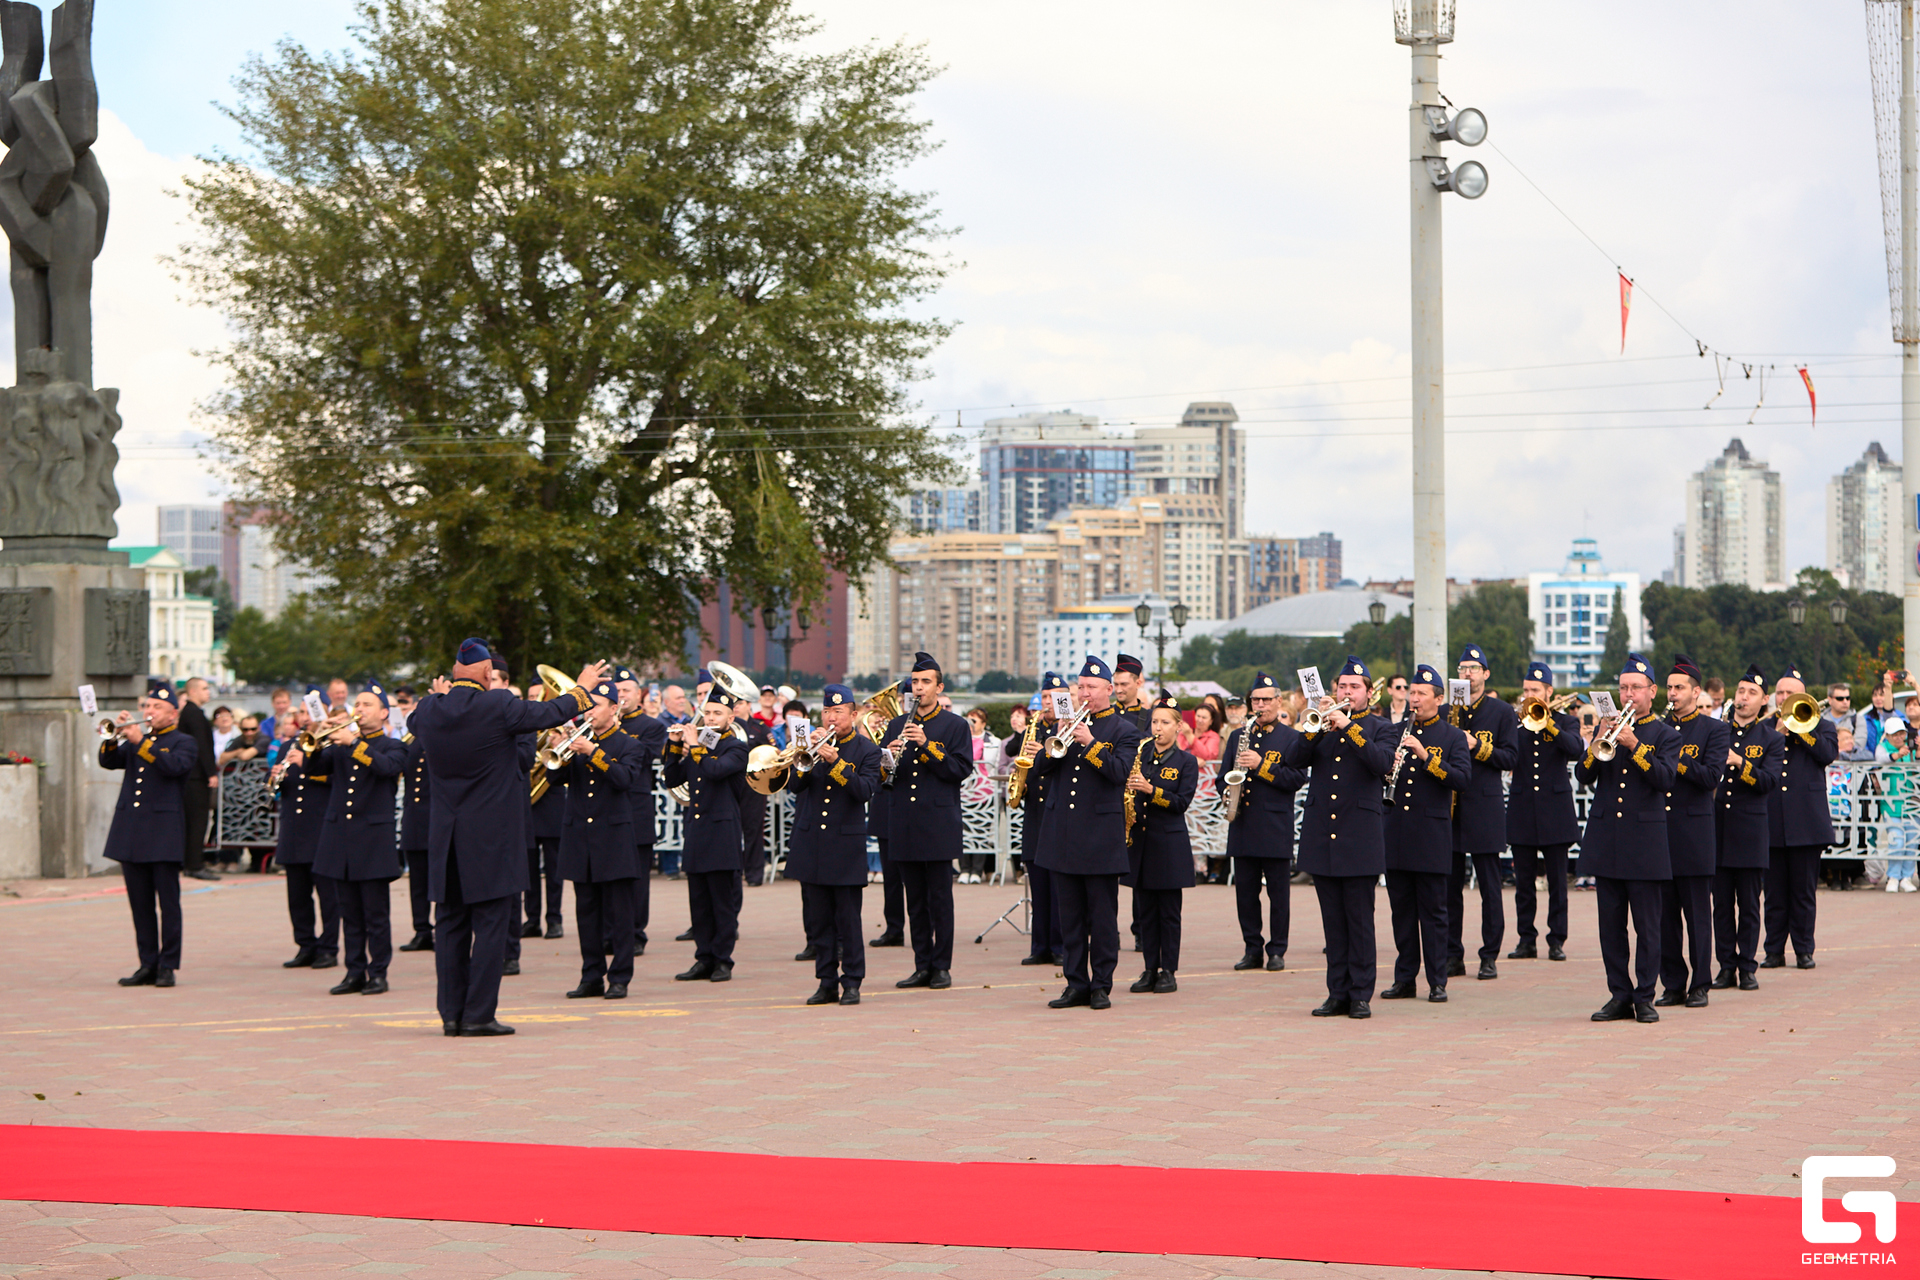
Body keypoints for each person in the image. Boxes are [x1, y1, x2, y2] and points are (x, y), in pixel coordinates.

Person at [407, 640, 602, 1036]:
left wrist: (439, 697)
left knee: (449, 925)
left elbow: (413, 723)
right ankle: (478, 1014)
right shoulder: (498, 705)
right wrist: (581, 689)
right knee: (492, 925)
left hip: (446, 838)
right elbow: (551, 711)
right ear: (485, 673)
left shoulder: (428, 710)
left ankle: (450, 1014)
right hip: (491, 839)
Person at [1283, 656, 1393, 1019]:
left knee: (1359, 919)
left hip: (1359, 836)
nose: (1347, 692)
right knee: (1332, 921)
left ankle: (1361, 993)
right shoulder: (1322, 726)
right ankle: (1337, 992)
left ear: (1368, 693)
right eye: (1342, 687)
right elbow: (1294, 759)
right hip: (1323, 836)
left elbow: (1382, 764)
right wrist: (1313, 726)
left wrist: (1348, 726)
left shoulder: (1379, 727)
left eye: (1354, 688)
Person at [1033, 655, 1142, 1009]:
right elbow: (1040, 768)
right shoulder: (1062, 724)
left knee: (1102, 917)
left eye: (1091, 687)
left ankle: (1101, 985)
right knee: (1071, 918)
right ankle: (1075, 982)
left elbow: (1119, 773)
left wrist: (1090, 742)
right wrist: (1059, 737)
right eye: (1080, 687)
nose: (1084, 693)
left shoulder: (1124, 731)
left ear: (1109, 690)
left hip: (1100, 838)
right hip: (1063, 834)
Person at [1575, 652, 1678, 1024]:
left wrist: (1634, 744)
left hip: (1645, 843)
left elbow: (1665, 779)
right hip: (1608, 839)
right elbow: (1583, 775)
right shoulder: (1609, 727)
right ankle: (1619, 994)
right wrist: (1598, 740)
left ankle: (1645, 995)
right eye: (1623, 687)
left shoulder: (1665, 735)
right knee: (1611, 926)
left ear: (1652, 691)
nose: (1629, 693)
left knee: (1648, 926)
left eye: (1636, 687)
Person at [299, 683, 407, 996]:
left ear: (384, 713)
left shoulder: (393, 746)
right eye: (357, 704)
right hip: (341, 839)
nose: (359, 709)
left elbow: (387, 768)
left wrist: (354, 742)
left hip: (373, 841)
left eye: (367, 705)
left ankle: (379, 973)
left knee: (375, 914)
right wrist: (319, 739)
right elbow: (314, 769)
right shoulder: (341, 745)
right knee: (351, 914)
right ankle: (354, 971)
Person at [787, 684, 884, 1006]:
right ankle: (826, 981)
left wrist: (836, 762)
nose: (831, 717)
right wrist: (802, 751)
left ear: (853, 715)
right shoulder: (812, 746)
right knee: (819, 921)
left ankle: (852, 981)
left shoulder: (867, 751)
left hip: (844, 847)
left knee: (848, 920)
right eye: (827, 711)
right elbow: (796, 787)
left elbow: (865, 791)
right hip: (812, 843)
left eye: (838, 712)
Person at [1380, 665, 1472, 1003]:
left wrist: (1425, 757)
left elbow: (1462, 779)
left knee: (1434, 912)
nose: (1413, 699)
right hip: (1396, 832)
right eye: (1411, 693)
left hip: (1431, 835)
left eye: (1420, 694)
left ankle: (1437, 980)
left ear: (1438, 698)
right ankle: (1405, 978)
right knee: (1401, 911)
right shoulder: (1394, 731)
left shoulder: (1451, 736)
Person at [882, 653, 974, 990]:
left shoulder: (955, 726)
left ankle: (942, 966)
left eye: (925, 682)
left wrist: (926, 745)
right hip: (904, 822)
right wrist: (888, 756)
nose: (918, 688)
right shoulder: (895, 725)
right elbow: (881, 776)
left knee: (939, 899)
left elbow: (960, 770)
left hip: (937, 823)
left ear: (939, 687)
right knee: (915, 900)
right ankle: (922, 964)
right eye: (915, 682)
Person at [99, 686, 198, 987]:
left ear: (173, 713)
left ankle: (168, 964)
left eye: (156, 706)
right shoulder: (138, 740)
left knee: (168, 904)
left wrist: (140, 740)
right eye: (147, 705)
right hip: (132, 832)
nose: (150, 711)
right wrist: (112, 736)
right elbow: (109, 762)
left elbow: (172, 767)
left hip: (164, 833)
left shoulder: (184, 742)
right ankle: (147, 963)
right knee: (139, 905)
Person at [557, 680, 646, 999]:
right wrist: (560, 749)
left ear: (613, 708)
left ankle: (620, 976)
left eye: (596, 706)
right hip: (581, 838)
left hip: (615, 838)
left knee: (620, 913)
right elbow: (555, 777)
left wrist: (593, 752)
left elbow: (624, 779)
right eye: (587, 706)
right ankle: (591, 974)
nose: (590, 712)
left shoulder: (629, 745)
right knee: (587, 912)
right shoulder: (578, 742)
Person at [663, 685, 751, 981]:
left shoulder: (736, 747)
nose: (711, 718)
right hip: (697, 831)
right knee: (699, 902)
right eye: (707, 712)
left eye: (718, 713)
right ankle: (703, 957)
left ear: (730, 717)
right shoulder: (698, 744)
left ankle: (723, 959)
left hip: (722, 833)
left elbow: (715, 770)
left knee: (721, 902)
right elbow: (673, 778)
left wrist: (695, 746)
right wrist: (675, 746)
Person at [1658, 655, 1729, 1009]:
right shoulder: (1656, 726)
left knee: (1698, 915)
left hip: (1695, 833)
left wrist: (1676, 759)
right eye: (1669, 687)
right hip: (1660, 832)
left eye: (1679, 688)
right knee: (1664, 916)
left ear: (1696, 691)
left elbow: (1711, 777)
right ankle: (1672, 983)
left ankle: (1700, 983)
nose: (1672, 693)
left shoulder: (1714, 730)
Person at [1223, 671, 1305, 972]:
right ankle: (1252, 948)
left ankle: (1277, 950)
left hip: (1274, 826)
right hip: (1243, 824)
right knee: (1245, 893)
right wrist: (1226, 792)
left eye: (1266, 700)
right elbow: (1223, 777)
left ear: (1278, 701)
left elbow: (1296, 778)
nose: (1260, 705)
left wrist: (1262, 765)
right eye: (1255, 700)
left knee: (1278, 895)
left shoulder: (1291, 738)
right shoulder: (1237, 737)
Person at [1447, 642, 1518, 982]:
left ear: (1485, 674)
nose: (1467, 674)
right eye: (1462, 669)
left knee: (1490, 887)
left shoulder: (1501, 712)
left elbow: (1510, 758)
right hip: (1451, 807)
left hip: (1485, 806)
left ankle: (1489, 955)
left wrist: (1477, 745)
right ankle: (1452, 954)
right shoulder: (1449, 710)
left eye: (1473, 669)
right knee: (1449, 887)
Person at [1712, 665, 1782, 990]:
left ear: (1764, 700)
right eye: (1740, 691)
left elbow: (1768, 781)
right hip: (1717, 829)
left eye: (1751, 692)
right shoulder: (1717, 731)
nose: (1743, 697)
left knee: (1749, 905)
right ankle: (1725, 965)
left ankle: (1747, 966)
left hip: (1750, 832)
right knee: (1722, 904)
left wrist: (1741, 763)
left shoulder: (1771, 738)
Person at [1507, 664, 1583, 962]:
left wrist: (1548, 724)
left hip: (1555, 810)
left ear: (1549, 692)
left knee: (1557, 883)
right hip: (1523, 808)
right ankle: (1526, 939)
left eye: (1535, 691)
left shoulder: (1566, 721)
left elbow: (1575, 749)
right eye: (1526, 690)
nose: (1529, 696)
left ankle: (1556, 939)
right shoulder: (1516, 723)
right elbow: (1507, 753)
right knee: (1523, 883)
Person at [1764, 664, 1838, 969]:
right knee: (1774, 894)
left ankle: (1804, 950)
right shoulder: (1766, 726)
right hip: (1772, 822)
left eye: (1790, 693)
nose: (1784, 697)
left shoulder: (1821, 724)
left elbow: (1827, 754)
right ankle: (1773, 951)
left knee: (1804, 892)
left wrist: (1801, 729)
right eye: (1780, 693)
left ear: (1803, 696)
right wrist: (1778, 731)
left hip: (1806, 822)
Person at [1125, 691, 1197, 994]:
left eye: (1165, 722)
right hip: (1141, 845)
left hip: (1169, 846)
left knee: (1168, 913)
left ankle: (1169, 970)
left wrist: (1150, 789)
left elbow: (1181, 802)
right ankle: (1149, 969)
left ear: (1177, 727)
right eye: (1155, 721)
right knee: (1145, 913)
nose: (1158, 728)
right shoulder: (1142, 756)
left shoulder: (1186, 762)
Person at [274, 710, 339, 970]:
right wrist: (276, 776)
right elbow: (282, 787)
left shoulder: (331, 745)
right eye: (300, 711)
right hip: (293, 828)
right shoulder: (289, 745)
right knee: (297, 895)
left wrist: (307, 767)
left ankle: (329, 947)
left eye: (307, 710)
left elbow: (337, 780)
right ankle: (305, 945)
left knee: (328, 895)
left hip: (320, 827)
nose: (302, 715)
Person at [1008, 678, 1062, 966]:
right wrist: (1022, 784)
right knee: (1038, 884)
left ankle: (1059, 945)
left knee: (1058, 888)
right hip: (1034, 815)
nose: (1046, 703)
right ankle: (1039, 945)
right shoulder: (1034, 728)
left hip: (1056, 816)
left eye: (1053, 697)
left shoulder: (1064, 730)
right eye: (1044, 697)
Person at [615, 667, 666, 953]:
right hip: (608, 811)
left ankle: (635, 934)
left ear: (639, 695)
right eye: (618, 691)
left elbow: (642, 759)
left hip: (636, 810)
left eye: (626, 691)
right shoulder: (601, 725)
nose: (621, 696)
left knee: (637, 878)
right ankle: (611, 931)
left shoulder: (651, 727)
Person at [398, 709, 435, 953]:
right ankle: (421, 930)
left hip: (437, 819)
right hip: (414, 819)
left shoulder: (445, 739)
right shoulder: (409, 743)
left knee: (440, 881)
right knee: (418, 882)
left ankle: (442, 929)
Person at [175, 676, 219, 881]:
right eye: (203, 688)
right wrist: (211, 772)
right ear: (192, 692)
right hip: (196, 777)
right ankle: (194, 864)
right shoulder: (194, 714)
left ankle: (189, 862)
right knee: (197, 821)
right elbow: (202, 746)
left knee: (193, 821)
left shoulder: (191, 713)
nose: (207, 692)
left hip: (191, 776)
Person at [734, 696, 774, 886]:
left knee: (753, 831)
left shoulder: (759, 727)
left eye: (739, 703)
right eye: (732, 704)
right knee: (730, 831)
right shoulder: (727, 728)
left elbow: (772, 752)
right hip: (731, 784)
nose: (735, 708)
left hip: (754, 785)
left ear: (749, 705)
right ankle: (733, 872)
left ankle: (754, 874)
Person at [1877, 716, 1918, 892]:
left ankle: (1907, 877)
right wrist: (1895, 755)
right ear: (1887, 735)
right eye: (1894, 734)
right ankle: (1893, 876)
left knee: (1912, 840)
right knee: (1896, 839)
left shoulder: (1911, 748)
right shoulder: (1883, 747)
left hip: (1912, 803)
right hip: (1891, 803)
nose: (1898, 737)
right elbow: (1880, 759)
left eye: (1901, 733)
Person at [959, 707, 993, 882]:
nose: (971, 724)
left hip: (983, 793)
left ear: (983, 724)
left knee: (980, 830)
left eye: (975, 720)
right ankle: (964, 868)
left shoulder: (993, 741)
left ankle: (977, 870)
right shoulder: (960, 739)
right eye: (969, 719)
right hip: (963, 791)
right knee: (963, 831)